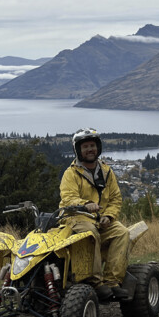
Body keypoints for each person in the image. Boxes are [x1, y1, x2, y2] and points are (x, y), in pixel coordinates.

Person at [59, 128, 130, 301]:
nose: (90, 149)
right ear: (78, 150)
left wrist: (110, 216)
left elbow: (115, 198)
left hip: (99, 219)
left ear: (98, 147)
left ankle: (112, 282)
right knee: (91, 233)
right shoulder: (71, 173)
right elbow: (68, 197)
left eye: (92, 145)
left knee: (122, 232)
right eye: (85, 147)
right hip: (75, 217)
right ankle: (96, 283)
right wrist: (85, 204)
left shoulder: (106, 172)